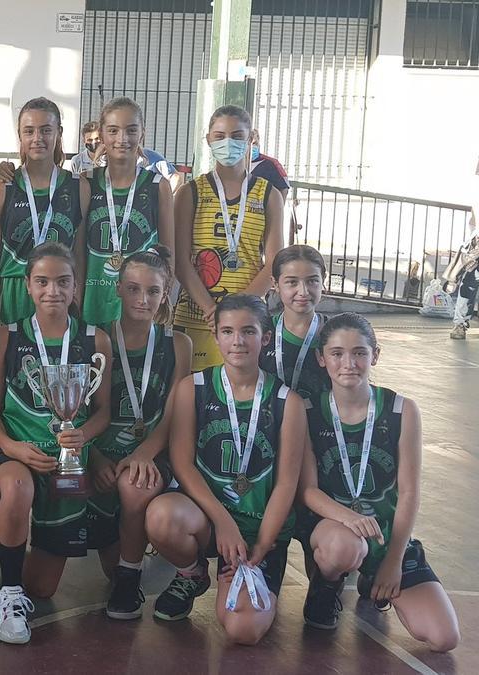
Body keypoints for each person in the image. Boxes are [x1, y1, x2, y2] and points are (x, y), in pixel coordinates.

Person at [145, 293, 305, 645]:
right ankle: (194, 571)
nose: (237, 341)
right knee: (161, 516)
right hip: (208, 521)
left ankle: (248, 572)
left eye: (248, 331)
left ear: (265, 337)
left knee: (243, 631)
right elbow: (183, 464)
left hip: (260, 531)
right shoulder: (193, 389)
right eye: (228, 331)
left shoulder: (287, 402)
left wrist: (263, 543)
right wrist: (223, 522)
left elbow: (286, 484)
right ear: (215, 335)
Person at [298, 313, 459, 651]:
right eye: (337, 353)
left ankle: (375, 578)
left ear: (376, 355)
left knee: (444, 638)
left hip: (388, 535)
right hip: (335, 529)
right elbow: (308, 491)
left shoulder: (401, 410)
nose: (348, 363)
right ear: (321, 358)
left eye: (359, 352)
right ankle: (326, 587)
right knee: (345, 548)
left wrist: (393, 561)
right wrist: (350, 517)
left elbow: (410, 492)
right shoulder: (308, 411)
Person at [0, 242, 111, 643]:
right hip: (17, 454)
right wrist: (13, 448)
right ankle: (9, 595)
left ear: (76, 287)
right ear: (27, 286)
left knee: (45, 588)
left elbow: (103, 410)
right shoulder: (6, 336)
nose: (53, 290)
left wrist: (84, 434)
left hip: (70, 462)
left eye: (62, 282)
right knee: (17, 487)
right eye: (42, 281)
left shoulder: (95, 339)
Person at [92, 247, 191, 620]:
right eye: (133, 289)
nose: (142, 299)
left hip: (153, 450)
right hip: (101, 451)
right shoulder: (98, 339)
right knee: (55, 581)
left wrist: (145, 452)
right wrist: (96, 457)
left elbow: (173, 415)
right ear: (118, 289)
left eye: (153, 291)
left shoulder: (178, 344)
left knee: (135, 485)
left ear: (164, 294)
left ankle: (129, 577)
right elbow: (81, 411)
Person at [174, 105, 283, 372]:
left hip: (247, 323)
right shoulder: (190, 192)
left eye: (236, 135)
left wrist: (237, 313)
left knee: (240, 403)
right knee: (193, 400)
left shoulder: (269, 195)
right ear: (208, 139)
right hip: (198, 318)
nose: (228, 143)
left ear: (251, 138)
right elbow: (180, 262)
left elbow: (275, 263)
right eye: (220, 135)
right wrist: (214, 311)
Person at [0, 97, 87, 329]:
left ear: (59, 132)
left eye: (46, 130)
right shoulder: (2, 188)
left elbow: (79, 255)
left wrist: (76, 299)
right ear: (20, 135)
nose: (37, 138)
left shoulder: (78, 186)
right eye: (29, 131)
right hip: (13, 294)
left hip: (58, 293)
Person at [82, 97, 175, 325]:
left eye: (131, 130)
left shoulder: (157, 185)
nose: (122, 139)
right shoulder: (85, 182)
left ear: (142, 133)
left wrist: (164, 299)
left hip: (140, 304)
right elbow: (77, 249)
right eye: (113, 130)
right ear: (101, 135)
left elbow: (169, 254)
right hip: (93, 300)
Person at [259, 245, 331, 402]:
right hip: (268, 423)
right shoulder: (261, 333)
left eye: (312, 281)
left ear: (323, 280)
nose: (303, 291)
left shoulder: (337, 334)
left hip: (323, 424)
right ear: (275, 284)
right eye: (292, 282)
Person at [442, 227, 478, 339]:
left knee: (467, 290)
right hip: (474, 266)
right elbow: (467, 254)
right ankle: (460, 324)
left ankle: (460, 323)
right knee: (467, 291)